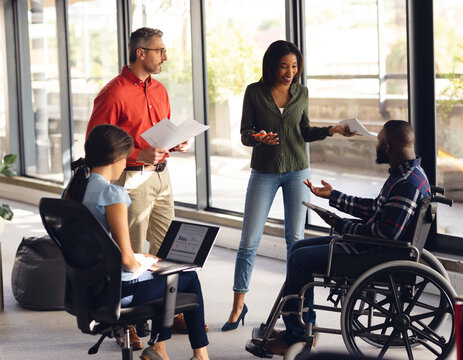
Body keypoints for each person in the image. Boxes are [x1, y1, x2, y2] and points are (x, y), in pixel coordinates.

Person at [251, 120, 431, 355]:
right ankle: (301, 328)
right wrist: (334, 196)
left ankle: (296, 336)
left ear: (387, 146)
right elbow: (375, 209)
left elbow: (386, 235)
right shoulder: (407, 175)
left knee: (299, 259)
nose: (376, 146)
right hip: (373, 247)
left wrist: (341, 225)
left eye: (378, 141)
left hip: (372, 253)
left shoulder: (406, 184)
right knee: (298, 248)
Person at [223, 40, 355, 331]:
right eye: (284, 66)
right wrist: (258, 138)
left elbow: (304, 131)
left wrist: (331, 130)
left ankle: (298, 310)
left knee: (295, 242)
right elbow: (246, 133)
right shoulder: (254, 92)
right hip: (264, 172)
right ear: (272, 65)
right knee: (248, 243)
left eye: (294, 66)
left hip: (297, 171)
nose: (290, 72)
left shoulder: (302, 93)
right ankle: (237, 307)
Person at [86, 27, 198, 343]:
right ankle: (126, 324)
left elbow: (158, 134)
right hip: (131, 178)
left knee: (170, 247)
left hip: (161, 176)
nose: (165, 56)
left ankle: (169, 308)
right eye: (160, 50)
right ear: (141, 53)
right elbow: (95, 145)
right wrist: (138, 152)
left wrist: (175, 143)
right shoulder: (113, 93)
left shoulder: (160, 91)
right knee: (132, 249)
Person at [64, 124, 209, 360]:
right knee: (188, 277)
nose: (126, 164)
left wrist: (139, 258)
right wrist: (140, 262)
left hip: (85, 289)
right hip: (118, 292)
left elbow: (103, 247)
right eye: (125, 158)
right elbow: (126, 262)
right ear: (118, 159)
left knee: (163, 273)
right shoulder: (112, 194)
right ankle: (199, 356)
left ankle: (161, 349)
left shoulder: (74, 189)